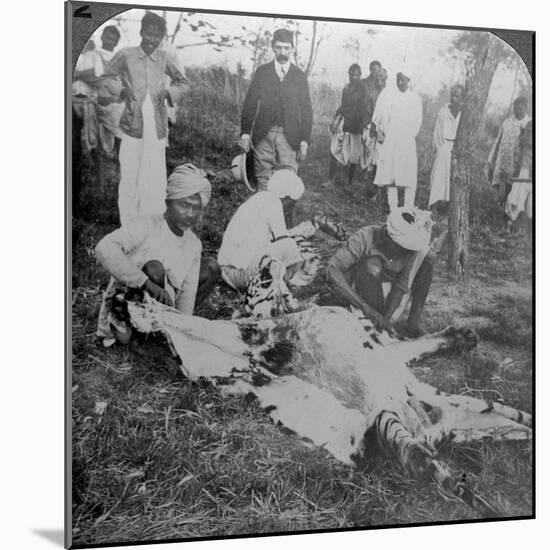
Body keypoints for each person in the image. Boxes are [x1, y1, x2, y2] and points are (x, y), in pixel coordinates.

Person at [95, 164, 220, 346]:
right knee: (155, 269)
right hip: (129, 302)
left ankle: (162, 334)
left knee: (211, 267)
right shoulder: (145, 225)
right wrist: (146, 284)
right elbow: (103, 247)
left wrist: (183, 328)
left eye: (196, 208)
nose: (190, 214)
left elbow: (187, 292)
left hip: (164, 305)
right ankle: (135, 338)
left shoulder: (193, 244)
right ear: (168, 202)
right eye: (184, 205)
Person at [103, 11, 189, 224]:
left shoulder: (164, 58)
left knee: (154, 174)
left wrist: (170, 94)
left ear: (162, 38)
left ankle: (151, 220)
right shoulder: (126, 54)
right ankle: (129, 223)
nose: (152, 40)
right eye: (149, 34)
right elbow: (107, 77)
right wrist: (122, 91)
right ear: (141, 32)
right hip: (132, 124)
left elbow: (183, 82)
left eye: (157, 36)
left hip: (157, 126)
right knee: (130, 174)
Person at [326, 208, 434, 337]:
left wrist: (385, 319)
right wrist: (367, 310)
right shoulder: (365, 236)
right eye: (402, 248)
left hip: (386, 293)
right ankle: (366, 315)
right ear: (388, 238)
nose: (405, 253)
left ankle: (412, 326)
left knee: (428, 257)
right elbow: (332, 270)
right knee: (372, 263)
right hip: (360, 291)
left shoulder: (409, 249)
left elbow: (400, 287)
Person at [240, 28, 313, 193]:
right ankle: (261, 216)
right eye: (279, 47)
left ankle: (282, 218)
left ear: (292, 49)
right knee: (263, 184)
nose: (282, 52)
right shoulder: (262, 72)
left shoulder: (299, 76)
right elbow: (250, 103)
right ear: (272, 47)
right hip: (264, 135)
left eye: (287, 48)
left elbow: (306, 110)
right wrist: (245, 133)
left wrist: (304, 141)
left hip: (290, 138)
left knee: (286, 185)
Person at [218, 169, 305, 292]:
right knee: (290, 246)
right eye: (293, 202)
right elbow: (283, 239)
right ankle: (282, 289)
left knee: (281, 250)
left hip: (227, 270)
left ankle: (279, 286)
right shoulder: (273, 202)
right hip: (237, 275)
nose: (293, 206)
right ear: (286, 198)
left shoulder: (260, 199)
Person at [372, 67, 423, 212]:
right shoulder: (391, 96)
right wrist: (390, 134)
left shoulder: (415, 98)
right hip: (392, 139)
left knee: (408, 174)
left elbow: (417, 121)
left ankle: (407, 208)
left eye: (403, 80)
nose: (400, 82)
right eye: (398, 79)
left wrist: (407, 135)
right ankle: (393, 208)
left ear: (408, 80)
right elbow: (385, 117)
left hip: (406, 140)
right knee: (391, 174)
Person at [486, 96, 531, 206]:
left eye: (520, 109)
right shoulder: (507, 121)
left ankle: (508, 212)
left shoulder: (528, 123)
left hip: (518, 162)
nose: (517, 111)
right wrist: (492, 157)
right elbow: (498, 140)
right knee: (500, 183)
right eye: (515, 108)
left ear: (525, 108)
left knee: (513, 188)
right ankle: (496, 206)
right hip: (504, 159)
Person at [428, 84, 465, 218]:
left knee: (452, 178)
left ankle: (449, 208)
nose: (454, 98)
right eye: (453, 95)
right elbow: (437, 131)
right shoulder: (443, 111)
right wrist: (439, 148)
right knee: (438, 177)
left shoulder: (464, 113)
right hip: (444, 146)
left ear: (462, 98)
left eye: (457, 96)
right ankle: (434, 206)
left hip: (457, 149)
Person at [329, 64, 367, 187]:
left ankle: (349, 182)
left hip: (355, 124)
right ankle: (331, 179)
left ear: (360, 75)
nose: (353, 76)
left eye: (355, 74)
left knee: (353, 154)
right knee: (334, 148)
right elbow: (343, 104)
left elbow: (359, 107)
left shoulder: (362, 89)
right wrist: (336, 117)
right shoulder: (346, 87)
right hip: (344, 122)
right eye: (351, 74)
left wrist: (359, 125)